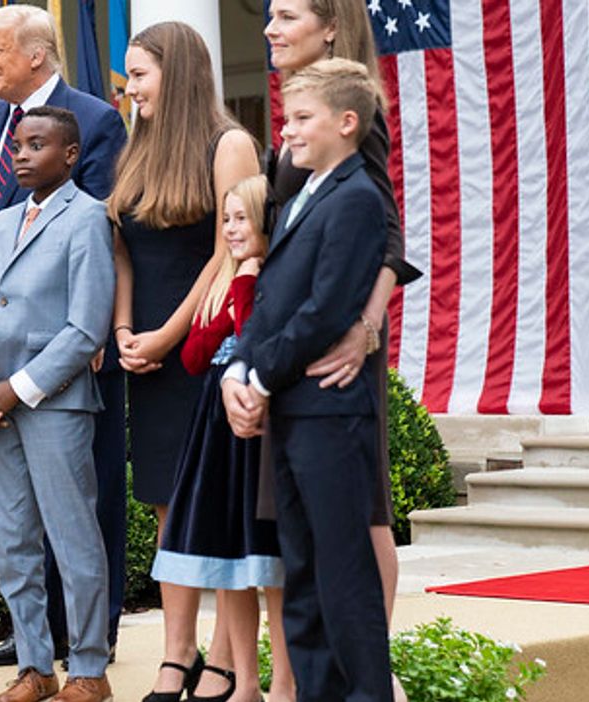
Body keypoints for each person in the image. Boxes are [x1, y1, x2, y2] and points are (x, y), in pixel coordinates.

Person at [0, 2, 128, 667]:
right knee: (16, 527)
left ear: (36, 52)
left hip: (66, 358)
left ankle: (89, 637)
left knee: (82, 506)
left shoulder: (95, 119)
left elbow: (104, 233)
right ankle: (32, 645)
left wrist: (102, 329)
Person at [223, 58, 392, 702]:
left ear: (347, 123)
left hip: (328, 415)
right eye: (286, 117)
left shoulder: (356, 198)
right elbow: (271, 302)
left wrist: (258, 379)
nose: (286, 131)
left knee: (343, 574)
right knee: (303, 574)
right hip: (291, 413)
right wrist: (240, 368)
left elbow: (323, 310)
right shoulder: (302, 196)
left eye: (301, 118)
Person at [265, 3, 421, 696]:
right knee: (299, 538)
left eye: (286, 14)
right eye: (266, 15)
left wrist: (366, 325)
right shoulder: (296, 123)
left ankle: (369, 674)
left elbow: (385, 229)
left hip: (337, 351)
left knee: (358, 523)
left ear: (329, 28)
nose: (270, 27)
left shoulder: (353, 119)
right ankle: (302, 677)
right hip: (290, 353)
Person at [105, 21, 260, 700]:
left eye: (140, 73)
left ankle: (226, 661)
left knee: (215, 511)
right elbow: (121, 246)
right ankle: (177, 656)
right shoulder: (136, 148)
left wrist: (168, 334)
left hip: (203, 345)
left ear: (179, 71)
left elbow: (231, 253)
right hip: (143, 351)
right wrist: (122, 329)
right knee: (167, 507)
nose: (130, 86)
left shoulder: (229, 144)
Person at [152, 175, 294, 702]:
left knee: (268, 566)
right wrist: (227, 298)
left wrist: (246, 284)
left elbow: (257, 334)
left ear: (265, 222)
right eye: (226, 220)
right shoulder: (223, 282)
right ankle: (246, 685)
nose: (233, 230)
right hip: (215, 430)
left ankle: (284, 682)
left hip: (255, 427)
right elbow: (193, 357)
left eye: (242, 219)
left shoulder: (268, 281)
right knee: (229, 566)